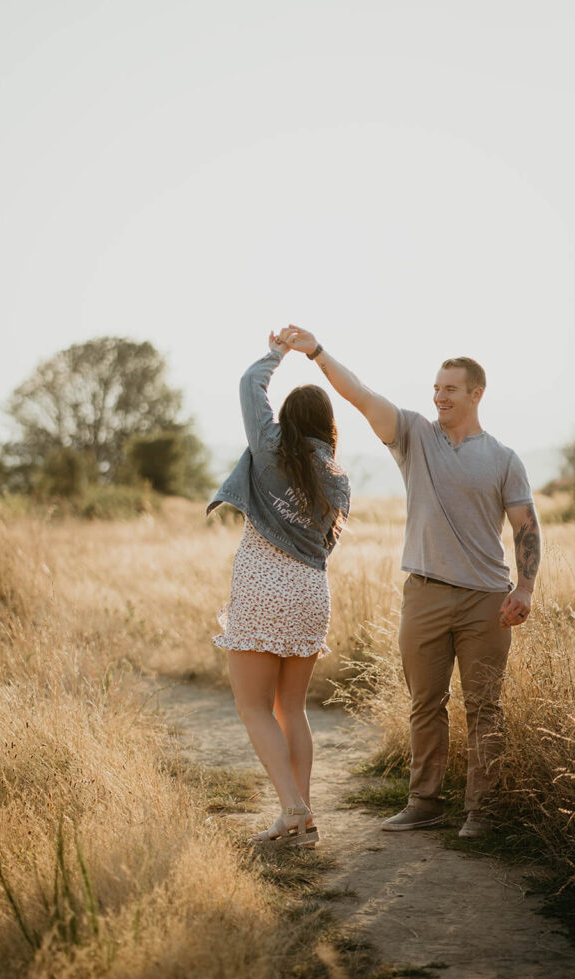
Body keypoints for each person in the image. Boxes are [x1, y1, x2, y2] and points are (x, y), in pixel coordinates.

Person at [280, 325, 540, 838]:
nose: (439, 396)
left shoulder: (504, 458)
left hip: (486, 600)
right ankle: (425, 803)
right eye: (436, 388)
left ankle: (482, 814)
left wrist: (525, 588)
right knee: (425, 703)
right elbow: (361, 396)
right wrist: (317, 354)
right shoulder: (415, 436)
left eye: (450, 388)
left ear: (475, 394)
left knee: (486, 707)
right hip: (423, 593)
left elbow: (525, 527)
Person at [207, 331, 350, 848]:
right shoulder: (337, 477)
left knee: (252, 707)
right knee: (293, 709)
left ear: (287, 421)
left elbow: (251, 384)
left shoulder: (268, 447)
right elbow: (324, 544)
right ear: (328, 427)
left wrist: (277, 352)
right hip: (312, 592)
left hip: (262, 588)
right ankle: (304, 821)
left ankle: (292, 808)